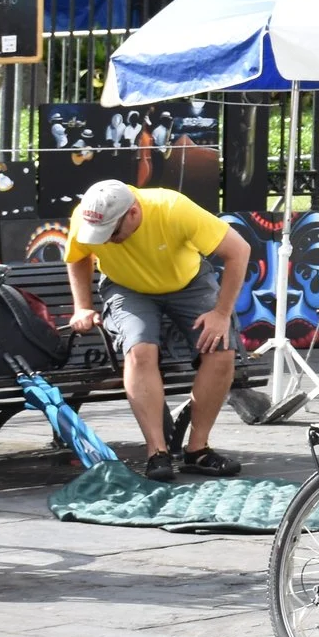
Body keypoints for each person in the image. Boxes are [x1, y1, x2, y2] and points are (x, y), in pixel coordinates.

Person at [61, 178, 252, 480]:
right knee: (140, 351)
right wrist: (83, 306)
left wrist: (221, 313)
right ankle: (157, 453)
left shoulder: (173, 208)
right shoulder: (89, 214)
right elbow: (78, 256)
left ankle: (197, 450)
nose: (106, 239)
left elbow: (239, 250)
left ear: (133, 213)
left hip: (188, 281)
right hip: (127, 287)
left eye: (112, 231)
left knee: (220, 350)